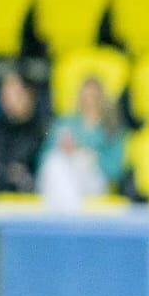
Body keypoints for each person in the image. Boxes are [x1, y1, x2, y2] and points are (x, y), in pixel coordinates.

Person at [38, 75, 125, 209]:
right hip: (63, 175)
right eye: (86, 96)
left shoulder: (112, 129)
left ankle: (67, 214)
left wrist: (92, 156)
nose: (89, 101)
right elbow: (44, 157)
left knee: (77, 161)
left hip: (94, 179)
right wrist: (64, 148)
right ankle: (71, 212)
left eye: (94, 97)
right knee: (56, 162)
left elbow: (115, 169)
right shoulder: (64, 123)